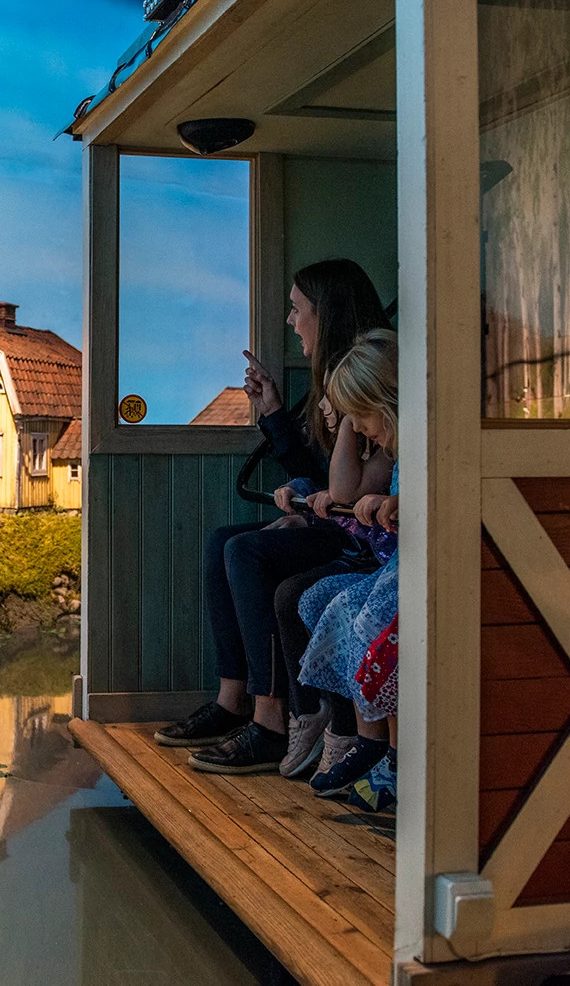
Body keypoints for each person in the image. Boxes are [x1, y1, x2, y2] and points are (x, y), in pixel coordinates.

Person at [155, 259, 393, 776]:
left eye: (297, 308)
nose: (291, 321)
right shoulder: (332, 380)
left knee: (247, 550)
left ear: (325, 314)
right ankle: (232, 699)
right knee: (224, 539)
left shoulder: (366, 381)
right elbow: (319, 471)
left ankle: (269, 719)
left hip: (355, 532)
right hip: (336, 518)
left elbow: (345, 486)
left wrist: (312, 506)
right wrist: (275, 416)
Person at [292, 330, 400, 802]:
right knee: (320, 598)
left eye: (360, 413)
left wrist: (397, 504)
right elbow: (344, 491)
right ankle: (368, 737)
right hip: (393, 561)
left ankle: (391, 754)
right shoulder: (392, 447)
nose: (353, 423)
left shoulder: (425, 441)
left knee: (372, 616)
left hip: (414, 566)